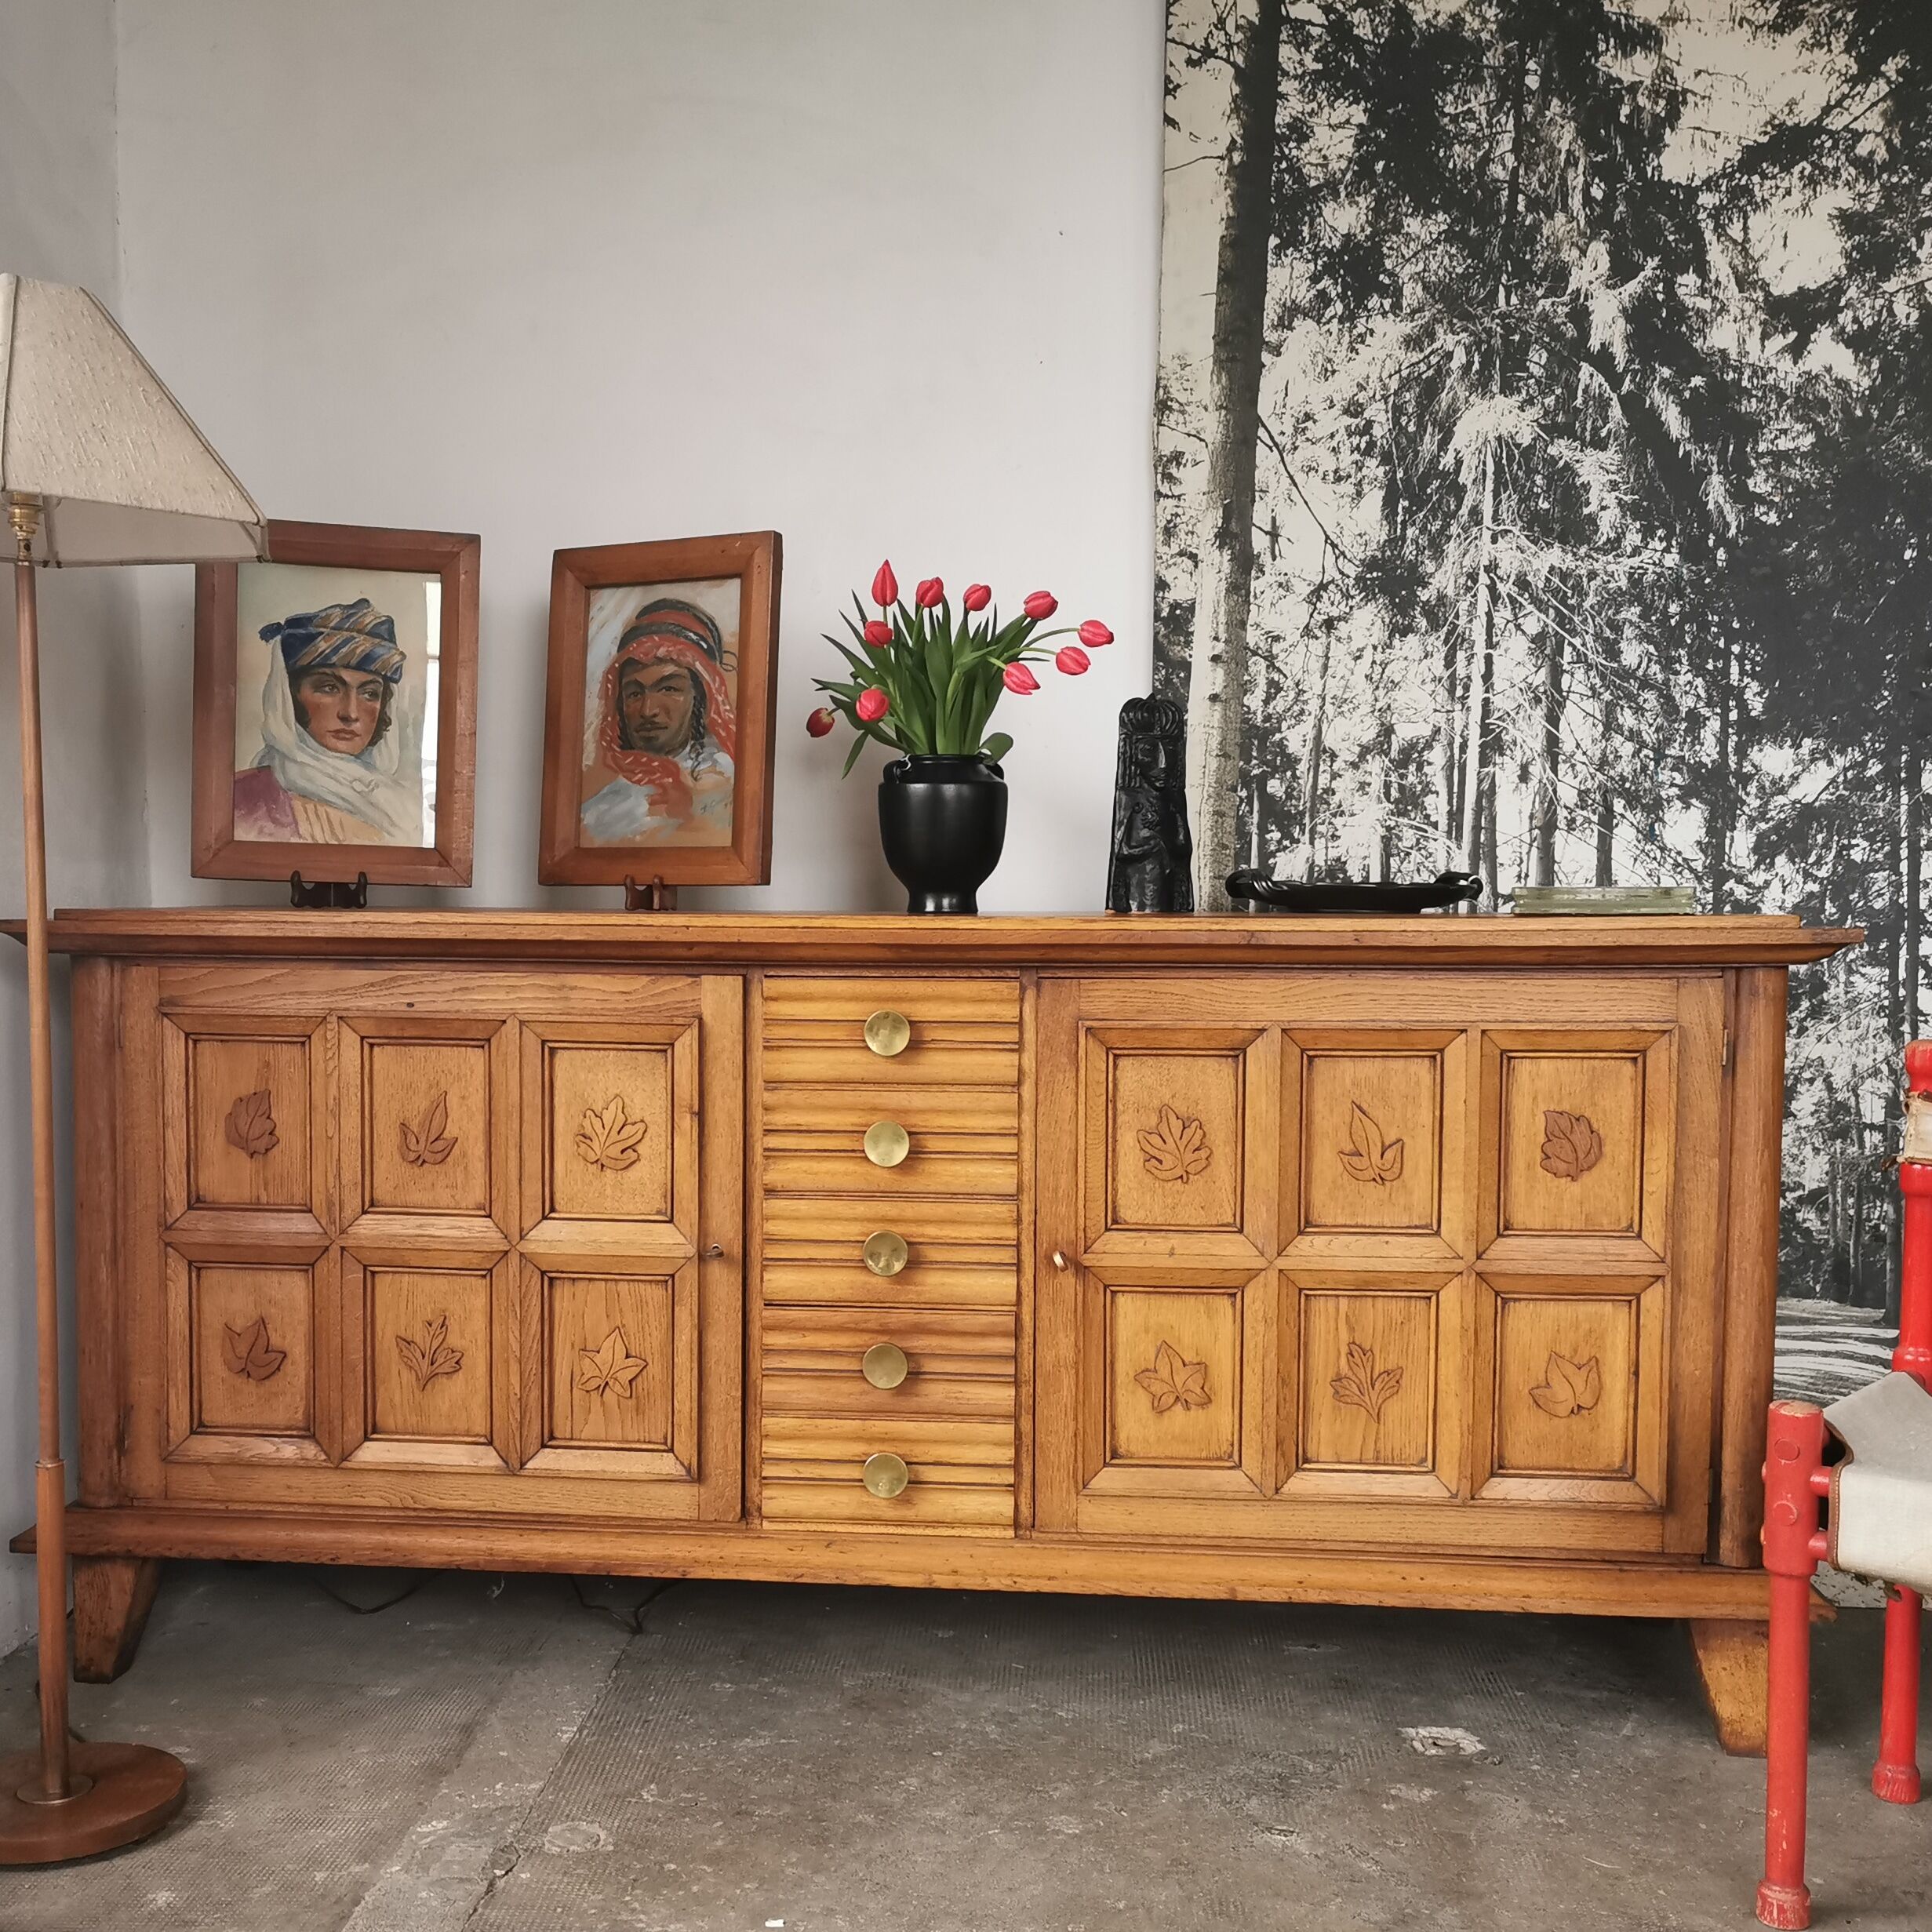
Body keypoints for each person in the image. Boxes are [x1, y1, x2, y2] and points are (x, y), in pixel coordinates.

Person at [233, 597, 421, 845]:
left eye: (369, 693)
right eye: (329, 688)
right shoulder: (246, 799)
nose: (351, 713)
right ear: (290, 696)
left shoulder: (399, 805)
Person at [580, 597, 736, 844]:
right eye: (634, 693)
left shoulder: (729, 785)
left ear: (700, 697)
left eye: (668, 689)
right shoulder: (597, 814)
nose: (648, 710)